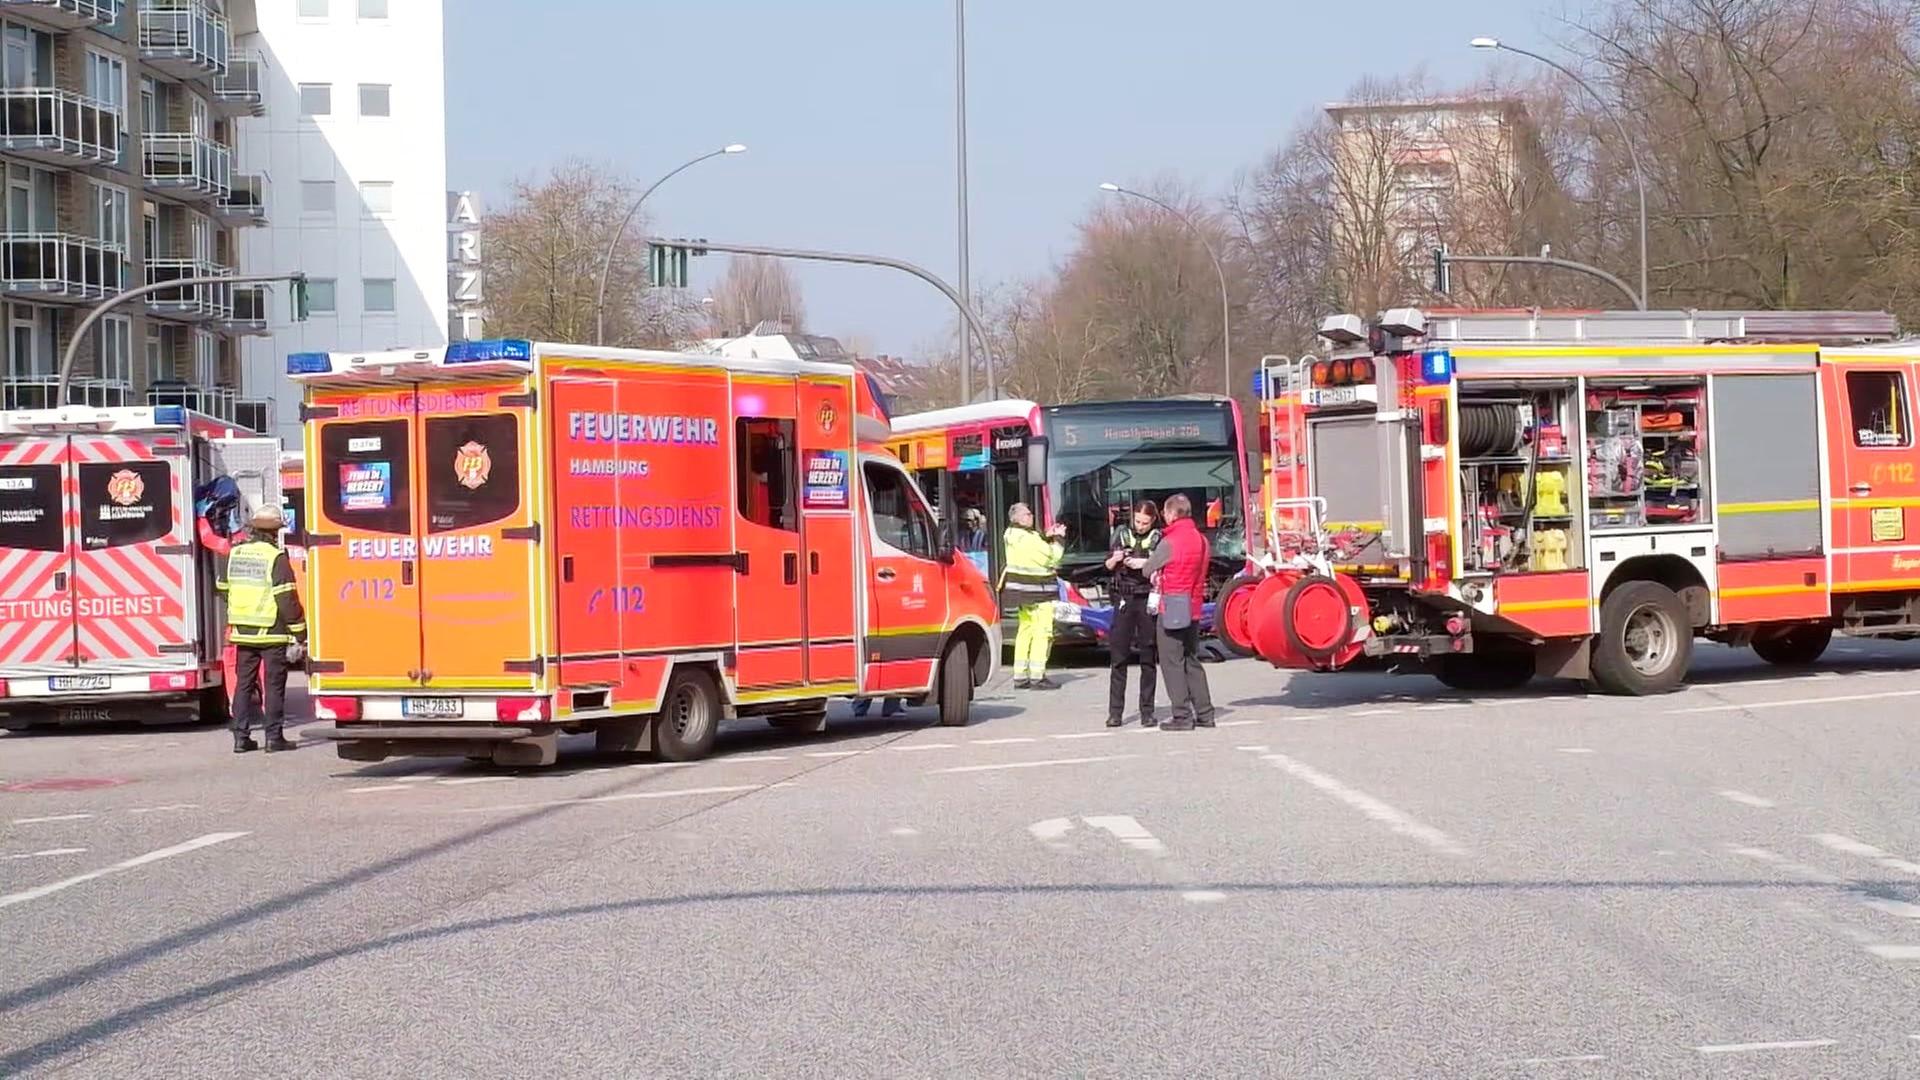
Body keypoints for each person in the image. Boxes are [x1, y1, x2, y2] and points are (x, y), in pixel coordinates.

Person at [217, 506, 307, 753]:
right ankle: (273, 738)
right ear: (275, 532)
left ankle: (241, 738)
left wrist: (241, 606)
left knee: (244, 685)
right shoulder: (275, 557)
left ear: (253, 529)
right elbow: (286, 598)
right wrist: (300, 633)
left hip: (243, 631)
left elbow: (222, 587)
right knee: (273, 685)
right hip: (272, 631)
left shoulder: (235, 553)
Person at [1144, 493, 1214, 730]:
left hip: (1172, 604)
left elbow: (1147, 569)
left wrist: (1151, 567)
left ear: (1173, 514)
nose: (1164, 516)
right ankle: (1205, 713)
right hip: (1194, 606)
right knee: (1192, 659)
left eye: (1165, 512)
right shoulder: (1202, 540)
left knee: (1171, 661)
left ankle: (1182, 716)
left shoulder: (1169, 542)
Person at [1104, 500, 1161, 728]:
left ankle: (1147, 711)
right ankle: (1115, 712)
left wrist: (1144, 563)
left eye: (1145, 523)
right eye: (1137, 521)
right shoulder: (1121, 534)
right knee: (1119, 657)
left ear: (1153, 521)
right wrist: (1116, 559)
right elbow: (1107, 566)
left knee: (1148, 656)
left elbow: (1164, 565)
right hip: (1124, 599)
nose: (1140, 526)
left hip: (1146, 597)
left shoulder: (1158, 538)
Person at [999, 502, 1066, 689]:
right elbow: (1052, 557)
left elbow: (1031, 553)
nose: (1032, 516)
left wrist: (1046, 536)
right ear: (1018, 518)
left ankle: (1020, 675)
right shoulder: (1029, 538)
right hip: (1038, 591)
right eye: (1028, 514)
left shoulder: (1011, 534)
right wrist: (1059, 539)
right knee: (1042, 632)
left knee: (1025, 630)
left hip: (1021, 592)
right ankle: (1038, 676)